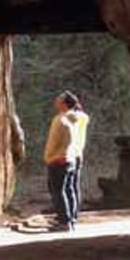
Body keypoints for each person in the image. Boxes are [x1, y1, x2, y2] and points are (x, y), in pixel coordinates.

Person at [43, 93, 78, 230]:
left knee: (57, 191)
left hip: (59, 159)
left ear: (64, 103)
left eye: (59, 98)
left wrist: (50, 157)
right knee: (68, 190)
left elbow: (54, 141)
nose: (56, 100)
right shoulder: (73, 118)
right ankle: (70, 219)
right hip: (70, 158)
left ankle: (64, 222)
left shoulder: (60, 120)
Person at [64, 93, 90, 223]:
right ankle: (75, 213)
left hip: (70, 153)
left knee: (67, 186)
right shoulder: (84, 117)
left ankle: (69, 214)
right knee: (75, 185)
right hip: (80, 152)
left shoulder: (69, 116)